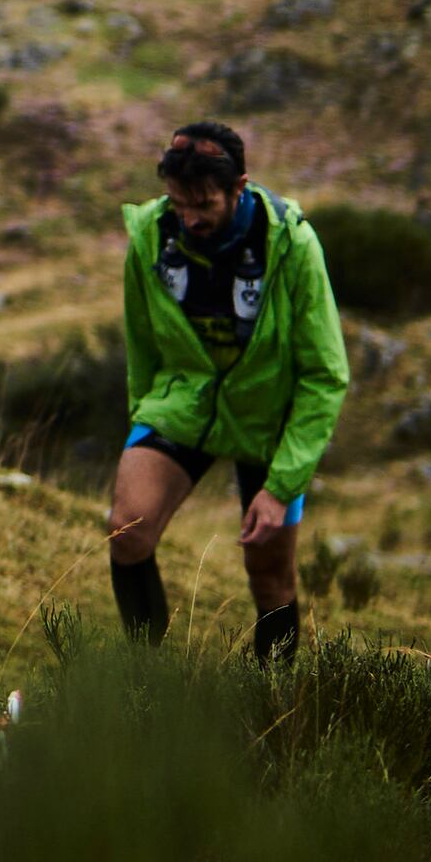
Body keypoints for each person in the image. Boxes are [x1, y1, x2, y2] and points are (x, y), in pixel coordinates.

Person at [105, 119, 351, 663]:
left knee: (270, 577)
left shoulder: (292, 244)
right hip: (183, 403)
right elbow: (141, 342)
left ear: (240, 186)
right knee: (127, 529)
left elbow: (325, 374)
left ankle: (272, 705)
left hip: (269, 423)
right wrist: (145, 416)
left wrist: (282, 485)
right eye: (178, 202)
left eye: (204, 204)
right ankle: (151, 687)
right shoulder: (149, 233)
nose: (189, 217)